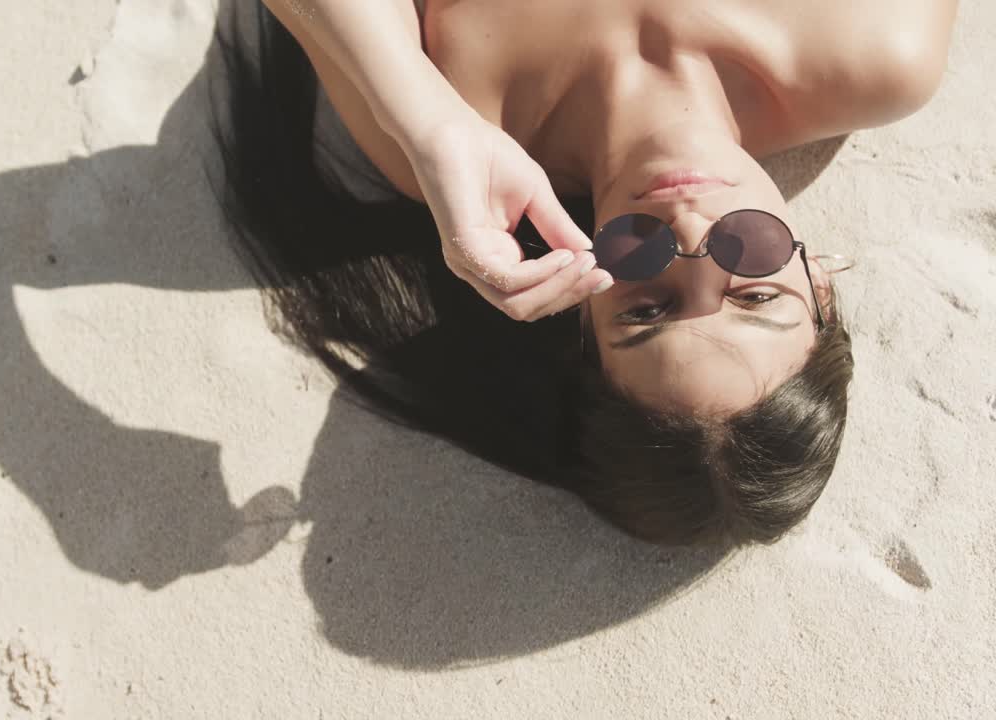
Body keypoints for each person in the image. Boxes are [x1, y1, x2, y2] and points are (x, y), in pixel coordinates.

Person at [215, 1, 957, 544]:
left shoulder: (455, 129)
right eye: (753, 283)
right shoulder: (875, 53)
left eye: (647, 309)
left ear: (581, 314)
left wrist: (422, 116)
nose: (690, 229)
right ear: (819, 281)